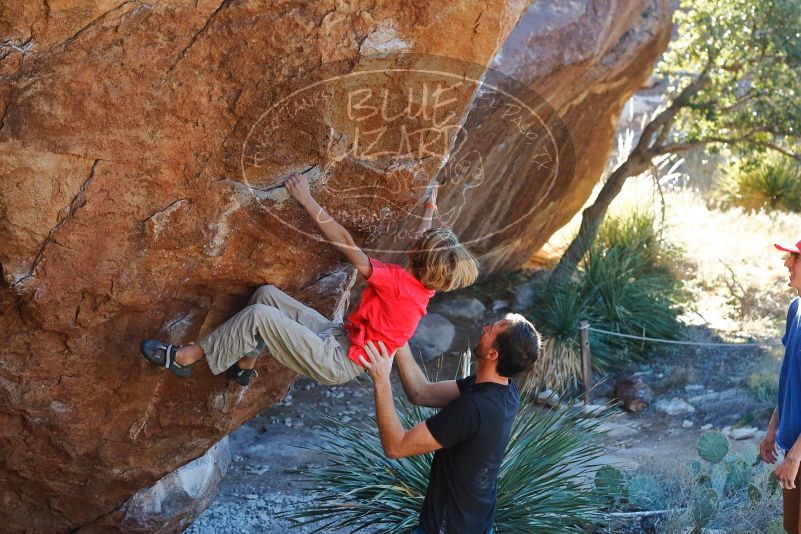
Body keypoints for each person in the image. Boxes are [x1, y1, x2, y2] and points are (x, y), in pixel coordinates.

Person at [138, 174, 479, 386]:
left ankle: (185, 358)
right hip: (338, 338)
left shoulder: (397, 283)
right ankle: (244, 365)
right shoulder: (424, 288)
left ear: (417, 258)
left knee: (260, 316)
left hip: (337, 360)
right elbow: (422, 239)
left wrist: (306, 198)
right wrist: (429, 206)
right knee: (267, 296)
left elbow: (346, 242)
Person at [359, 313, 541, 534]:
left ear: (493, 354)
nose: (484, 328)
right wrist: (398, 336)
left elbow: (396, 446)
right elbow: (420, 392)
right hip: (477, 525)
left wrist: (381, 379)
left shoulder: (472, 409)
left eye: (490, 331)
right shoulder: (504, 390)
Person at [760, 236, 801, 534]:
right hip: (793, 447)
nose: (787, 264)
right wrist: (774, 428)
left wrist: (797, 455)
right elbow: (790, 381)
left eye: (795, 259)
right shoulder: (795, 309)